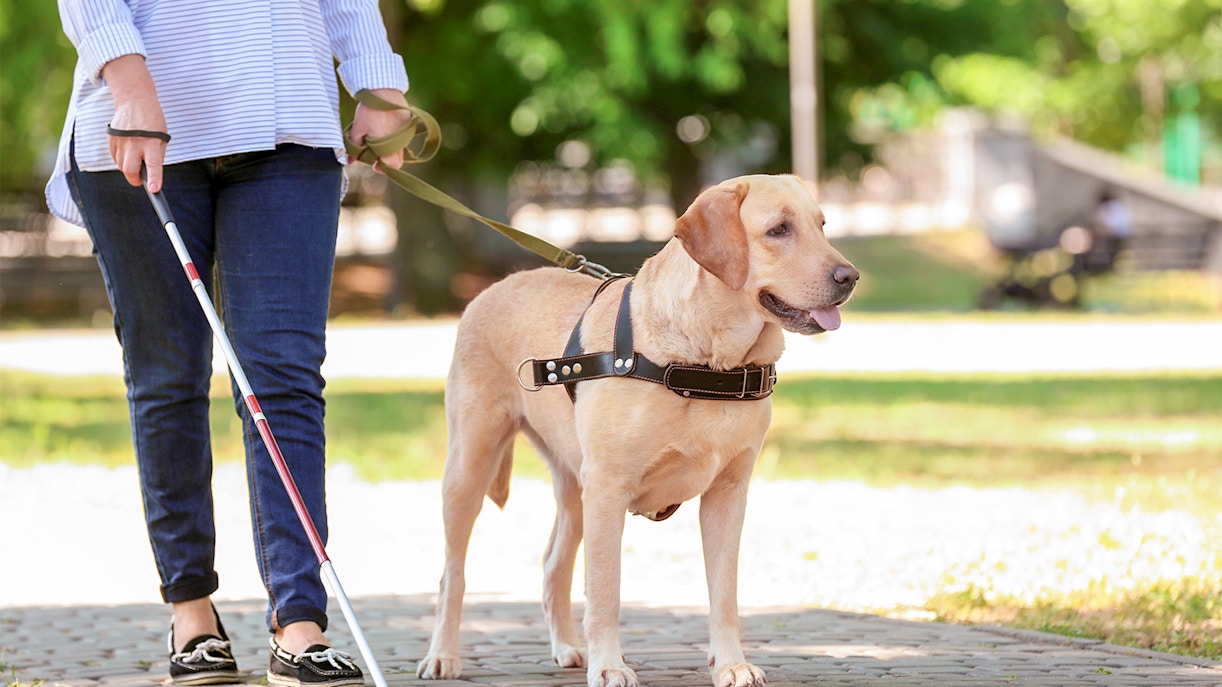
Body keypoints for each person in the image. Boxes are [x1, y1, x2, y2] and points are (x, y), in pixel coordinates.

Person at [46, 1, 411, 685]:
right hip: (142, 117)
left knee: (284, 374)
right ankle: (191, 613)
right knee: (168, 373)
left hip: (288, 121)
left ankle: (299, 622)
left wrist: (377, 80)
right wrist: (127, 79)